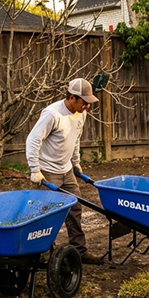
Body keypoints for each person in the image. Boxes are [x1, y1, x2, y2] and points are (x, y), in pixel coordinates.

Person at [26, 78, 104, 264]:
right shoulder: (52, 114)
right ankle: (42, 255)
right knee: (45, 214)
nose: (87, 106)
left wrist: (76, 162)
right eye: (84, 102)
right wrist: (35, 169)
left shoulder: (81, 113)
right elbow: (33, 140)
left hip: (66, 170)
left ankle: (79, 250)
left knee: (75, 208)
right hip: (47, 171)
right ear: (72, 97)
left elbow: (76, 138)